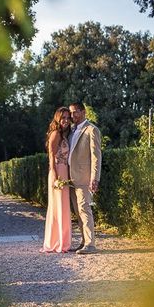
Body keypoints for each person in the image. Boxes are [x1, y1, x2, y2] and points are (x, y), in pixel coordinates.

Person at [68, 102, 102, 254]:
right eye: (71, 112)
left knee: (84, 209)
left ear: (83, 112)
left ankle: (90, 244)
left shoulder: (92, 130)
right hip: (70, 179)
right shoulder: (71, 131)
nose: (72, 115)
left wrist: (95, 178)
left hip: (84, 177)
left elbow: (96, 156)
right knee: (78, 211)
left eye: (75, 112)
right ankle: (84, 241)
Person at [40, 107, 72, 253]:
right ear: (57, 119)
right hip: (58, 172)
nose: (66, 120)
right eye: (63, 117)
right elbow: (51, 155)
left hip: (64, 171)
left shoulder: (64, 134)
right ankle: (57, 243)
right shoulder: (55, 134)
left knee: (63, 208)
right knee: (58, 207)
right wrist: (55, 175)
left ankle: (61, 241)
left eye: (67, 117)